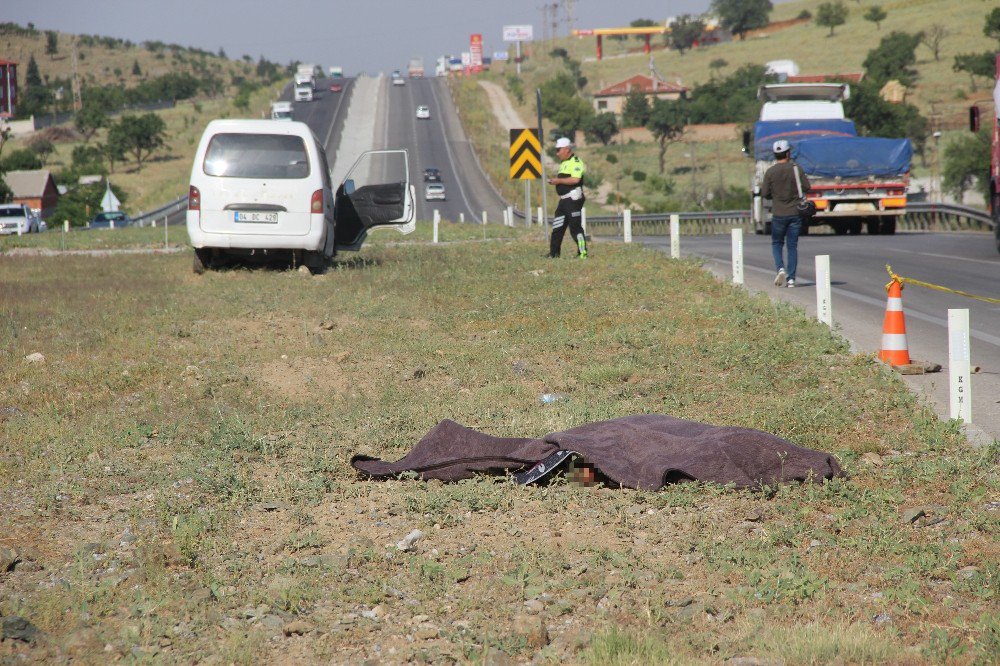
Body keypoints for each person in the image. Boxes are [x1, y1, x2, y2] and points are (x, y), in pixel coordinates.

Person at [761, 139, 810, 288]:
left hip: (778, 214)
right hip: (795, 213)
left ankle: (780, 268)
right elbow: (807, 187)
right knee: (792, 246)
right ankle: (791, 279)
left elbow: (765, 193)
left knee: (777, 243)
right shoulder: (796, 169)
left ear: (775, 154)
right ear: (788, 153)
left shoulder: (770, 172)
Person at [546, 137, 588, 258]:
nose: (557, 153)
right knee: (557, 227)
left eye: (559, 150)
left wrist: (558, 180)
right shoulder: (564, 163)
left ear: (567, 149)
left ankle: (582, 253)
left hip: (573, 199)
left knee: (575, 228)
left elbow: (575, 179)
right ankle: (553, 254)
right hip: (564, 200)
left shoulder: (576, 162)